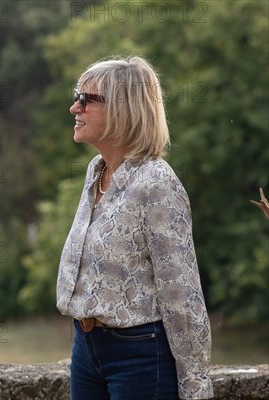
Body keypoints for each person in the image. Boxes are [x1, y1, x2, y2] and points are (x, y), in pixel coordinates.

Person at [56, 56, 213, 400]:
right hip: (86, 348)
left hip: (140, 354)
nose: (73, 108)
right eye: (76, 96)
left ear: (123, 109)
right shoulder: (95, 172)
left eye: (85, 99)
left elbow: (180, 291)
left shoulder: (157, 183)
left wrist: (195, 383)